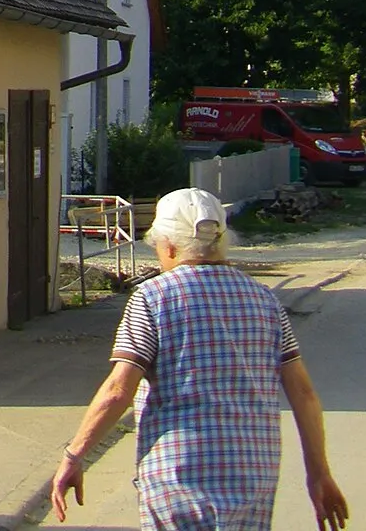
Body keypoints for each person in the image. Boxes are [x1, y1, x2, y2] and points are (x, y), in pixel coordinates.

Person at [50, 187, 350, 530]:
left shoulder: (152, 298)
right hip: (253, 477)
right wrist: (319, 474)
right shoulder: (265, 300)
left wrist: (74, 455)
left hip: (177, 479)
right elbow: (304, 394)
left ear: (169, 245)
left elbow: (119, 390)